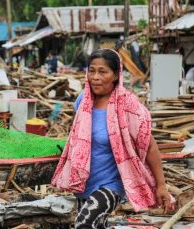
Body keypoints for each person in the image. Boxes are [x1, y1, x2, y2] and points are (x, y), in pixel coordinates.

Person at [51, 49, 174, 229]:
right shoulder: (82, 102)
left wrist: (161, 186)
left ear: (116, 75)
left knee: (84, 224)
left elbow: (149, 146)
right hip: (84, 182)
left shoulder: (127, 106)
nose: (95, 77)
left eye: (103, 71)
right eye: (91, 70)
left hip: (111, 183)